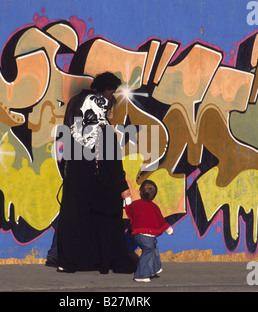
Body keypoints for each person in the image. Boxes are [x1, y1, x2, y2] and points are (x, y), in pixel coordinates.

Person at [56, 72, 136, 274]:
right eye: (111, 92)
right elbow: (111, 157)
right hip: (96, 174)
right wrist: (121, 185)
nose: (111, 99)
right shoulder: (101, 123)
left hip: (76, 171)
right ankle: (109, 260)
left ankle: (70, 261)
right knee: (107, 216)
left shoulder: (76, 104)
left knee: (76, 216)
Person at [125, 180, 174, 282]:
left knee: (153, 249)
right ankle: (140, 275)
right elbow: (161, 221)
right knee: (147, 252)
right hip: (147, 236)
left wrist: (128, 198)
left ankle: (155, 267)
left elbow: (129, 210)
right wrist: (169, 230)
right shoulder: (154, 207)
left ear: (140, 192)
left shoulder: (136, 204)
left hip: (138, 235)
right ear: (154, 196)